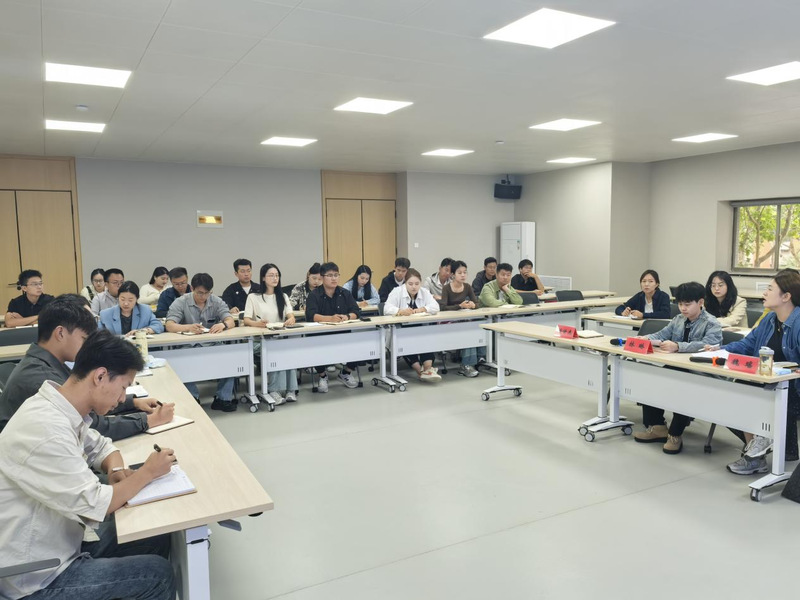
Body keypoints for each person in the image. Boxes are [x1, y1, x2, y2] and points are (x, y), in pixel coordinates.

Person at [0, 330, 176, 600]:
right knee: (157, 575)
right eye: (124, 387)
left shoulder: (62, 407)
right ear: (100, 376)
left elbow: (102, 446)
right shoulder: (47, 429)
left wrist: (115, 470)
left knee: (155, 535)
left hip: (60, 542)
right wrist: (148, 472)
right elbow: (99, 504)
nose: (123, 398)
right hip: (36, 576)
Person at [0, 295, 174, 439]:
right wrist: (150, 420)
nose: (88, 345)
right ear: (60, 333)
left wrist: (133, 402)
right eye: (84, 339)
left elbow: (87, 398)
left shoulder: (49, 363)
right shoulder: (41, 377)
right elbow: (91, 427)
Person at [720, 269, 800, 474]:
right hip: (769, 383)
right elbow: (747, 345)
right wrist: (719, 350)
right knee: (733, 392)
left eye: (770, 289)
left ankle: (756, 454)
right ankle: (757, 450)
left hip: (793, 389)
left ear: (786, 296)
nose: (765, 293)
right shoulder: (769, 319)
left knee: (753, 395)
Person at [633, 282, 722, 454]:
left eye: (687, 304)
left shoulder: (712, 323)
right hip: (677, 366)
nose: (683, 308)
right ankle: (657, 427)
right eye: (680, 304)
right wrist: (645, 339)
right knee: (651, 375)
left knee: (682, 381)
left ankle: (675, 434)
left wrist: (678, 346)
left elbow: (709, 345)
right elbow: (661, 334)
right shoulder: (678, 319)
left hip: (701, 374)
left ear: (700, 302)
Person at [165, 272, 237, 411]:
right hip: (187, 345)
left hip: (212, 344)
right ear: (192, 288)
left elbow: (230, 320)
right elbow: (169, 325)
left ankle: (223, 399)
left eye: (207, 293)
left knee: (231, 358)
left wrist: (223, 325)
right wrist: (188, 327)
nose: (203, 296)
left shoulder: (216, 301)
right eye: (199, 293)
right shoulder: (181, 301)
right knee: (179, 363)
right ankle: (193, 398)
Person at [243, 263, 298, 405]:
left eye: (277, 275)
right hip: (259, 340)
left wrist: (291, 319)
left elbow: (290, 315)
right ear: (263, 278)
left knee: (288, 350)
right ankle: (274, 390)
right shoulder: (253, 297)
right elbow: (246, 320)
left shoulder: (282, 296)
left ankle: (290, 390)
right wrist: (258, 324)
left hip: (278, 337)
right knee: (277, 351)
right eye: (271, 275)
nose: (275, 278)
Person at [305, 262, 362, 392]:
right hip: (320, 335)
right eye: (330, 275)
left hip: (343, 333)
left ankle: (346, 373)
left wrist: (347, 316)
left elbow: (356, 311)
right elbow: (311, 315)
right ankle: (322, 376)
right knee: (313, 345)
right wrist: (329, 319)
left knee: (361, 343)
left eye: (336, 275)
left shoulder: (345, 293)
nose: (334, 278)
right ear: (322, 277)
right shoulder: (314, 295)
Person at [384, 268, 442, 382]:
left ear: (420, 283)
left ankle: (427, 369)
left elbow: (436, 307)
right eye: (410, 284)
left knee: (427, 337)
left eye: (417, 284)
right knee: (406, 341)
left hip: (420, 327)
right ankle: (420, 371)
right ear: (405, 283)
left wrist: (423, 308)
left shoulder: (424, 292)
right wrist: (400, 311)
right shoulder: (397, 292)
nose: (414, 287)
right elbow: (386, 308)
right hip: (400, 329)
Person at [441, 260, 480, 377]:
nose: (463, 275)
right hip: (448, 321)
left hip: (464, 320)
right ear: (453, 274)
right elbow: (443, 307)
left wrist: (473, 305)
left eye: (465, 272)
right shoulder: (446, 288)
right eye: (459, 273)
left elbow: (477, 303)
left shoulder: (467, 287)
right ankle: (466, 365)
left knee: (473, 330)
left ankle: (469, 363)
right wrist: (460, 306)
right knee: (468, 331)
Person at [99, 281, 164, 336]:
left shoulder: (145, 310)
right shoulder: (106, 314)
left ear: (137, 299)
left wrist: (142, 331)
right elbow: (97, 334)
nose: (126, 303)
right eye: (122, 299)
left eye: (130, 300)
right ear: (118, 297)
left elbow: (159, 326)